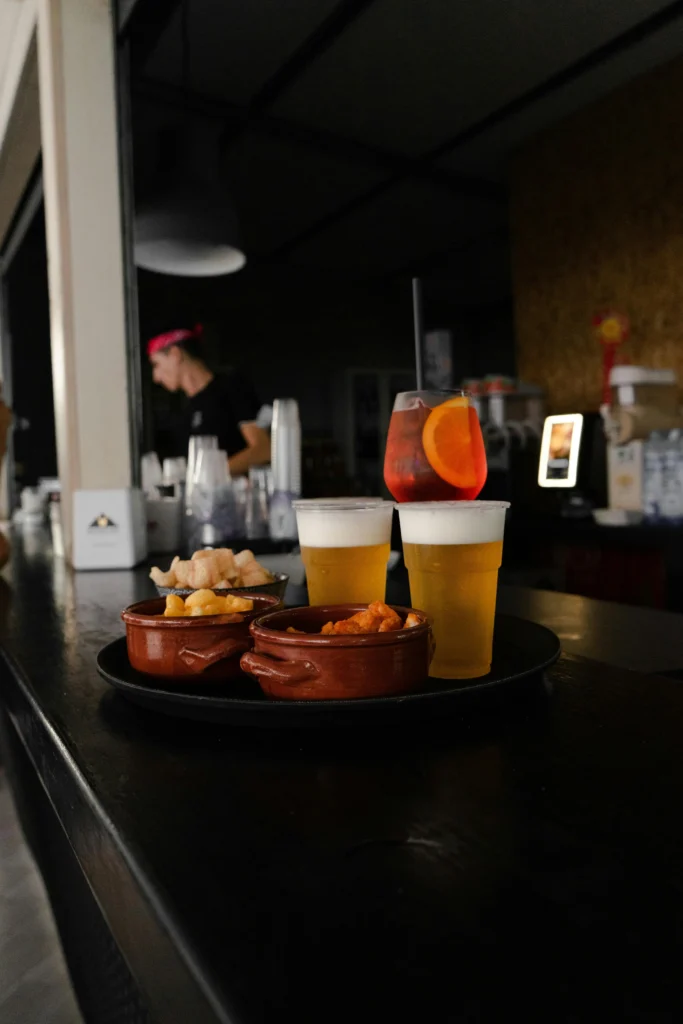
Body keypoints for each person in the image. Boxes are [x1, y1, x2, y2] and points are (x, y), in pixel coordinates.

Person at [147, 325, 270, 475]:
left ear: (175, 354)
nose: (156, 377)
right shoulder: (183, 412)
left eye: (156, 365)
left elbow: (264, 450)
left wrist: (209, 475)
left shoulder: (231, 387)